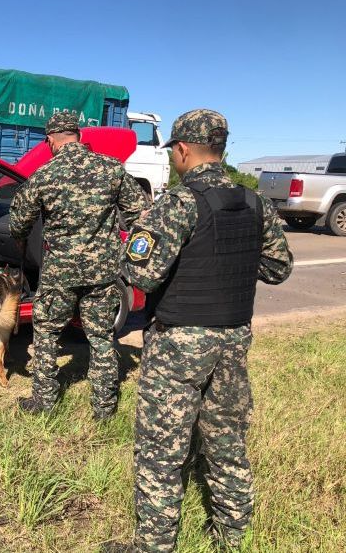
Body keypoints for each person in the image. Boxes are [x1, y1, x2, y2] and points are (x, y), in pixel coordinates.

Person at [121, 109, 293, 551]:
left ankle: (154, 546)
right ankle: (233, 538)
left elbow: (141, 274)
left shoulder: (177, 202)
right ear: (222, 148)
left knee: (161, 451)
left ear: (181, 150)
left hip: (180, 341)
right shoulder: (256, 203)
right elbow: (279, 268)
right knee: (226, 442)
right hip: (233, 339)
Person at [10, 110, 148, 416]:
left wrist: (21, 240)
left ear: (50, 141)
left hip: (60, 273)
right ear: (79, 136)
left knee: (47, 333)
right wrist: (127, 247)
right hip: (102, 273)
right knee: (100, 336)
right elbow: (141, 211)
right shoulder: (111, 169)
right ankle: (105, 407)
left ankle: (44, 402)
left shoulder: (44, 175)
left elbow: (18, 221)